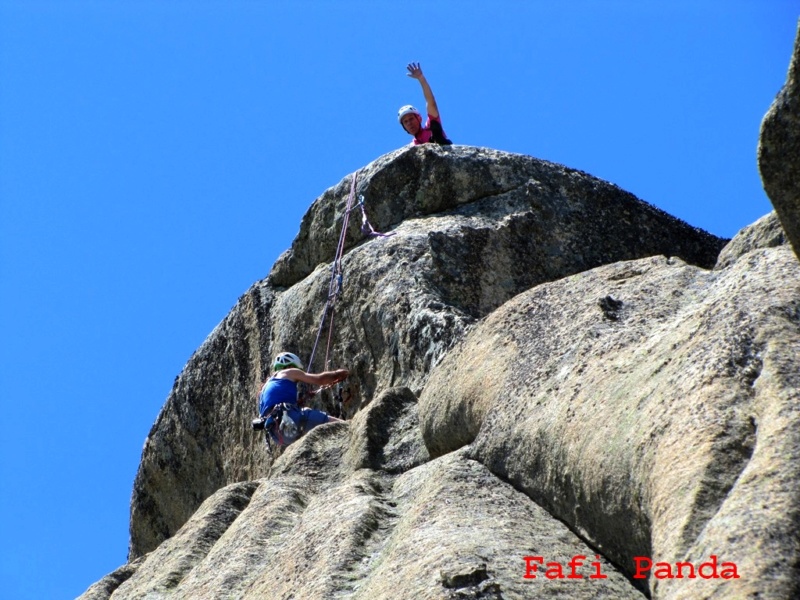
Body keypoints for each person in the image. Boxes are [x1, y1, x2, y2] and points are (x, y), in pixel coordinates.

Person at [257, 352, 347, 446]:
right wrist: (338, 374)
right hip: (290, 422)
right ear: (292, 365)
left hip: (278, 436)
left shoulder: (264, 388)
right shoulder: (289, 372)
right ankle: (351, 429)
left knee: (306, 411)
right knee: (340, 426)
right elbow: (320, 379)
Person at [398, 62, 452, 146]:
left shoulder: (430, 127)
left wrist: (421, 78)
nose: (409, 123)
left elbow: (431, 102)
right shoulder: (413, 146)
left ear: (419, 118)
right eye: (405, 122)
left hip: (443, 152)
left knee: (435, 127)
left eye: (411, 119)